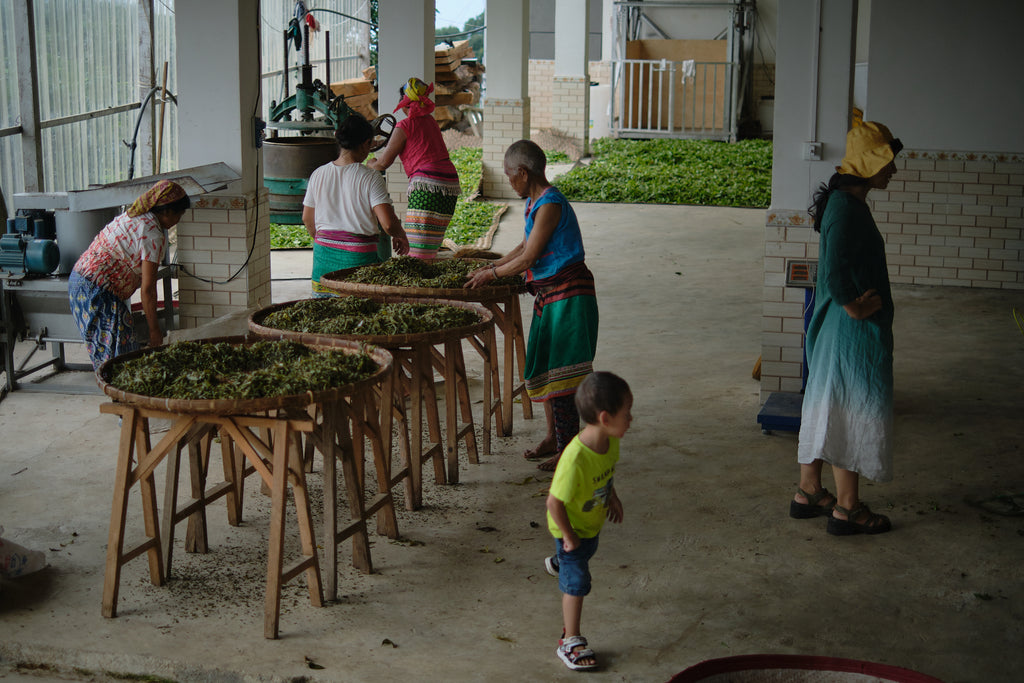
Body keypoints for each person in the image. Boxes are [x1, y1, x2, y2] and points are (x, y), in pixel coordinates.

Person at [791, 120, 903, 536]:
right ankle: (848, 508)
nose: (893, 170)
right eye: (888, 162)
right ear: (869, 163)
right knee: (848, 410)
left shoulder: (845, 201)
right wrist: (855, 307)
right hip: (849, 334)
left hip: (836, 331)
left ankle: (808, 491)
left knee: (826, 404)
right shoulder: (845, 208)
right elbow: (835, 268)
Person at [465, 139, 599, 472]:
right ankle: (555, 438)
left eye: (511, 176)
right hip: (551, 295)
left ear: (523, 173)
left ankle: (569, 450)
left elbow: (530, 256)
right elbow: (523, 246)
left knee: (563, 374)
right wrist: (489, 266)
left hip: (569, 296)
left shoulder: (551, 204)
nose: (510, 183)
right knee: (546, 371)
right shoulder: (535, 203)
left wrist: (492, 274)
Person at [543, 371, 630, 671]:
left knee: (586, 551)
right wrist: (567, 536)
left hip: (588, 526)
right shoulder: (575, 458)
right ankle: (571, 640)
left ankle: (559, 561)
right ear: (605, 418)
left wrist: (612, 496)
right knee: (577, 583)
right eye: (626, 413)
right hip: (571, 527)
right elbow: (553, 502)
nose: (631, 419)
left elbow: (606, 474)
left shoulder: (610, 442)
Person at [69, 180, 189, 370]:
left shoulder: (134, 216)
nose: (179, 220)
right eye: (179, 214)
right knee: (120, 361)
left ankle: (120, 396)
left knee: (114, 354)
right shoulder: (152, 234)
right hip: (97, 291)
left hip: (80, 282)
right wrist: (154, 331)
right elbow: (148, 291)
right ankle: (121, 398)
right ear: (166, 211)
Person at [303, 113, 409, 297]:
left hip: (322, 260)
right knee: (358, 315)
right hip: (357, 261)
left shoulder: (318, 174)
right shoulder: (370, 177)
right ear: (364, 144)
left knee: (323, 318)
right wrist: (400, 235)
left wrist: (328, 241)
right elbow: (388, 223)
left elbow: (307, 219)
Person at [366, 77, 460, 259]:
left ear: (404, 103)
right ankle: (427, 277)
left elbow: (383, 163)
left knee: (417, 251)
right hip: (449, 184)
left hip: (427, 186)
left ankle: (420, 285)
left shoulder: (404, 126)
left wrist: (370, 163)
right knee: (430, 245)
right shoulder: (431, 121)